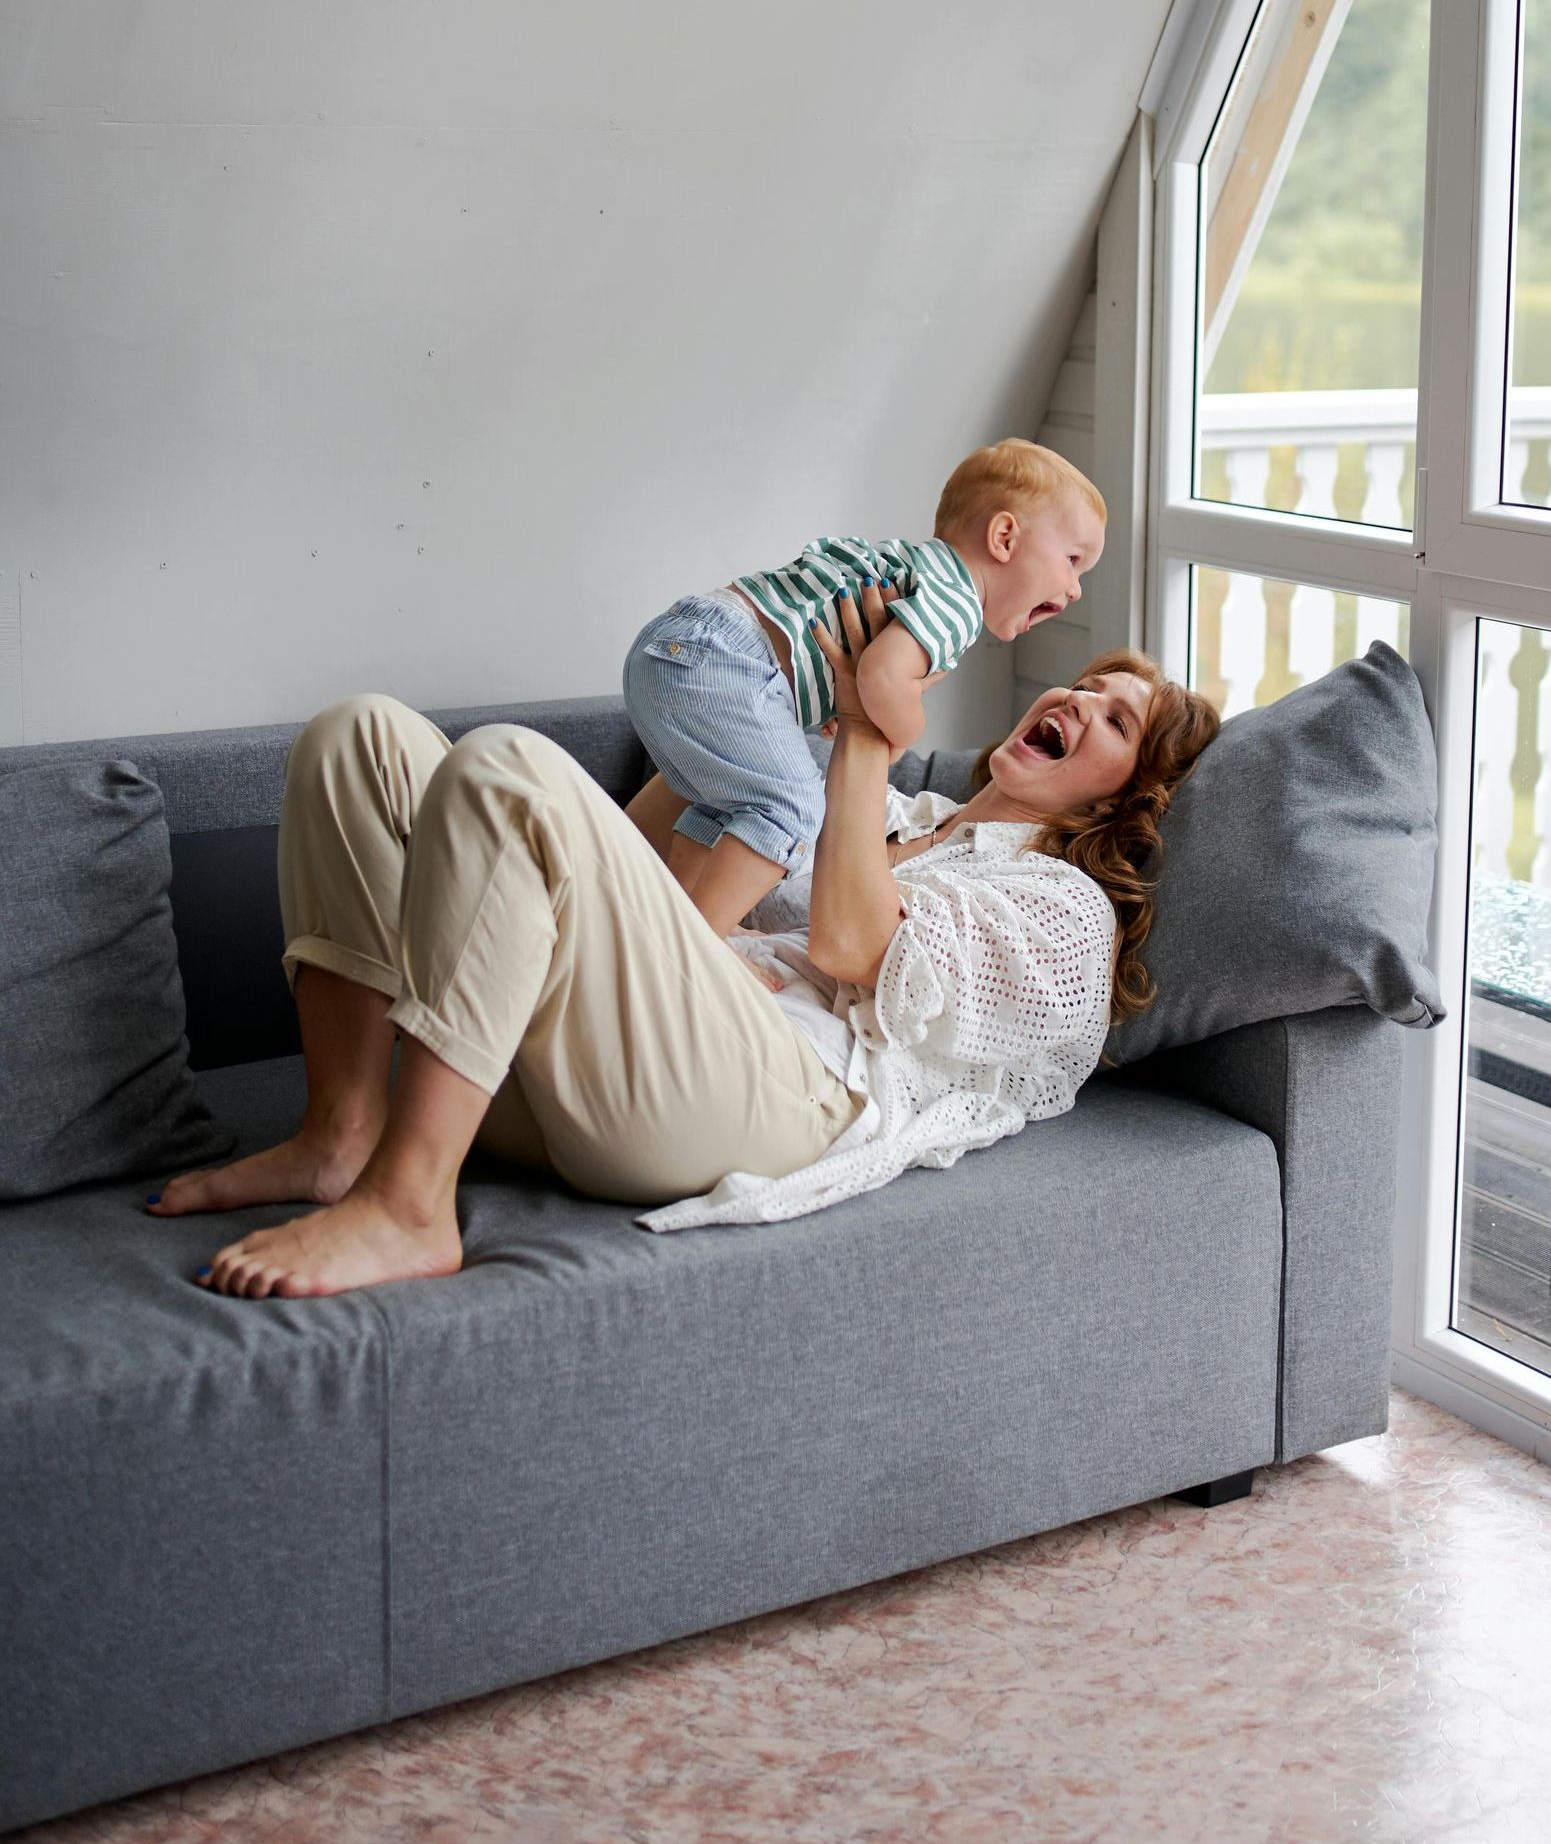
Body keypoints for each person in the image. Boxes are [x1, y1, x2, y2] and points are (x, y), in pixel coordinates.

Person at [143, 584, 1218, 1299]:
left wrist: (859, 732)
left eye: (1118, 720)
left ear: (1132, 798)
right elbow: (649, 883)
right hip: (630, 1060)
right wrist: (749, 688)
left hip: (776, 1106)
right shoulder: (891, 817)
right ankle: (344, 1137)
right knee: (358, 738)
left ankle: (411, 1206)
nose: (1079, 699)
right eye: (1086, 684)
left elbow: (851, 947)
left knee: (510, 767)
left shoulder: (1060, 908)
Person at [622, 438, 1106, 939]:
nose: (1075, 589)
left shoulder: (916, 565)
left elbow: (847, 658)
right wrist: (903, 730)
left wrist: (829, 692)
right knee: (792, 809)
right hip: (729, 661)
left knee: (725, 804)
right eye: (1072, 560)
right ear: (1004, 538)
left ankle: (681, 927)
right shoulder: (959, 604)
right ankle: (701, 948)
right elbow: (879, 677)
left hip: (686, 641)